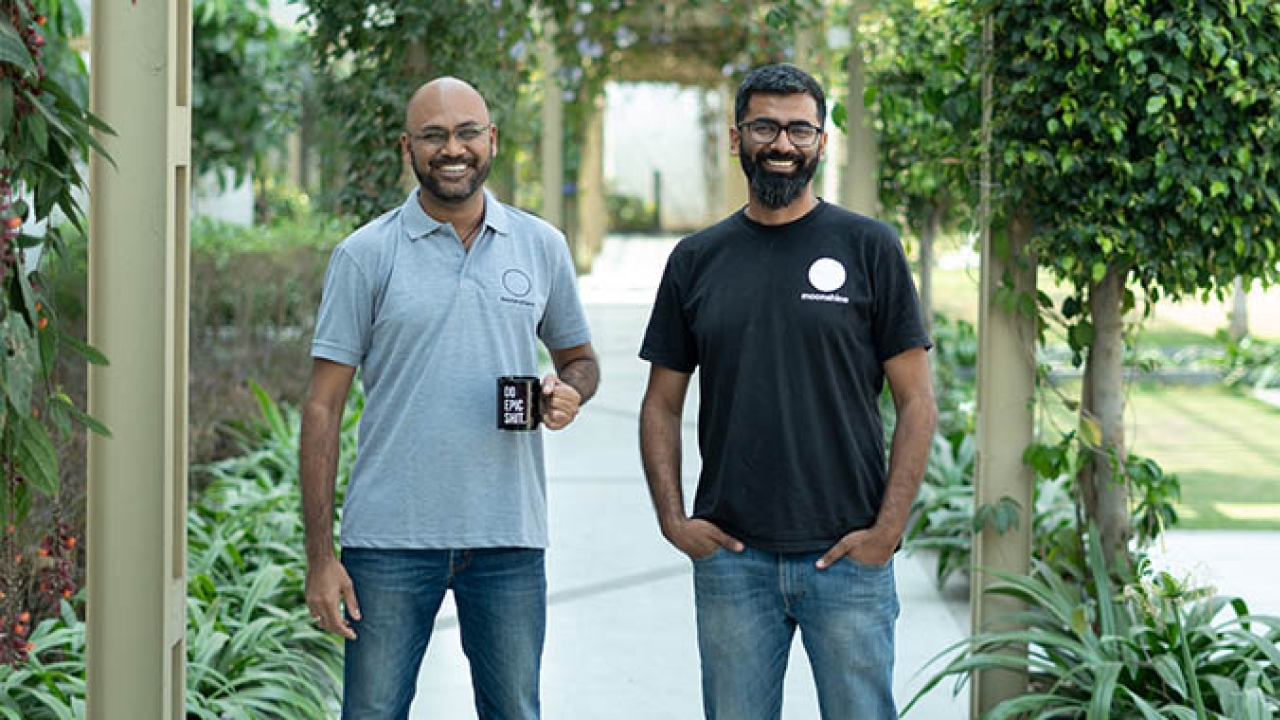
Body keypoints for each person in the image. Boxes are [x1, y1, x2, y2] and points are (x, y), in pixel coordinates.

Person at [638, 63, 937, 720]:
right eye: (765, 126)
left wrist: (886, 532)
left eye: (800, 128)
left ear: (822, 142)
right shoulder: (696, 259)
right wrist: (672, 520)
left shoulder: (870, 248)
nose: (782, 143)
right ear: (737, 138)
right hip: (733, 561)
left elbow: (917, 401)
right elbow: (661, 403)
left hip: (848, 557)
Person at [301, 76, 599, 720]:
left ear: (490, 140)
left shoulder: (540, 245)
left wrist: (566, 392)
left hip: (508, 537)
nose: (452, 148)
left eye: (466, 132)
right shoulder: (365, 255)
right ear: (409, 148)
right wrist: (320, 558)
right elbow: (322, 406)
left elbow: (580, 361)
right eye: (433, 136)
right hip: (388, 543)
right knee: (373, 713)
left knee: (515, 711)